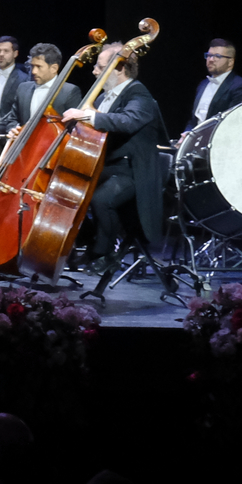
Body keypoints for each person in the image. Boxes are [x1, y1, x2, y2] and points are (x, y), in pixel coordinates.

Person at [60, 46, 175, 297]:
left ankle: (104, 252)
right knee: (70, 188)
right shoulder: (102, 98)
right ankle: (85, 243)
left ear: (119, 68)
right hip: (111, 167)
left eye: (100, 67)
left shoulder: (139, 94)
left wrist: (89, 116)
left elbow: (128, 120)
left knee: (103, 199)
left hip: (134, 171)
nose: (94, 71)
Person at [22, 43, 82, 121]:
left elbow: (74, 125)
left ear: (54, 68)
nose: (34, 71)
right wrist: (14, 129)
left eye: (38, 66)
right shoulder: (23, 88)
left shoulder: (70, 91)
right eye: (32, 66)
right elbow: (12, 119)